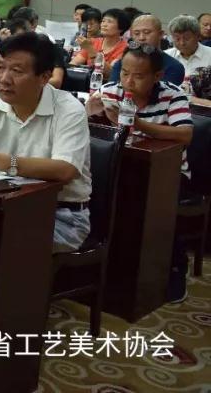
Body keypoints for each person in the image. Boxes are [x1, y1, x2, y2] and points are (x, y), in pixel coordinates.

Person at [0, 33, 92, 252]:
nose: (4, 78)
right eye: (1, 67)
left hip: (60, 215)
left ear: (44, 77)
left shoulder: (69, 110)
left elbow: (66, 169)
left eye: (17, 71)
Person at [88, 44, 193, 302]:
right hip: (122, 168)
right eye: (124, 73)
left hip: (168, 174)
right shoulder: (110, 91)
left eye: (138, 76)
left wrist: (138, 124)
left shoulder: (173, 95)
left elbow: (185, 135)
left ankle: (174, 268)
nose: (128, 81)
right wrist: (91, 115)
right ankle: (104, 273)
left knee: (155, 207)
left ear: (157, 76)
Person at [109, 15, 184, 85]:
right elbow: (111, 90)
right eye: (137, 33)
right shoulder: (122, 63)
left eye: (147, 32)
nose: (141, 38)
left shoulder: (174, 67)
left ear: (161, 34)